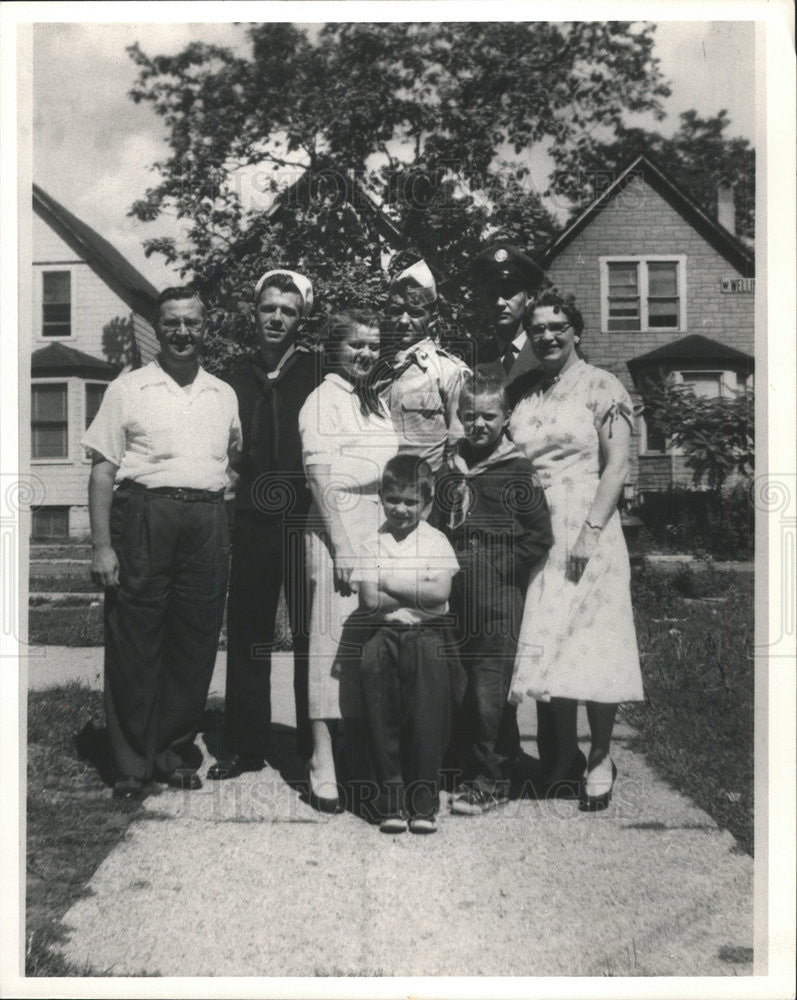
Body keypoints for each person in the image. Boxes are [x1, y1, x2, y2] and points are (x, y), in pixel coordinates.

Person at [82, 287, 242, 800]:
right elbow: (103, 470)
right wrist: (102, 546)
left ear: (205, 327)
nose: (182, 332)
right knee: (135, 636)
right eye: (171, 322)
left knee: (194, 639)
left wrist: (218, 492)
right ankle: (130, 762)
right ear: (157, 328)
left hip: (206, 520)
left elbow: (233, 455)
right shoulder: (128, 388)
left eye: (191, 322)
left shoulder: (223, 393)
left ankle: (172, 751)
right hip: (145, 514)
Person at [508, 288, 644, 809]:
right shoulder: (529, 393)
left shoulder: (601, 385)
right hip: (541, 530)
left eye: (556, 326)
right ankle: (562, 756)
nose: (546, 335)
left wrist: (590, 530)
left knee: (595, 642)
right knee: (553, 641)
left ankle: (600, 756)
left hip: (589, 527)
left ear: (576, 331)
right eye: (537, 328)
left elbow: (617, 464)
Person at [209, 269, 321, 780]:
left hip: (306, 518)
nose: (277, 318)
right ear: (254, 313)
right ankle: (243, 746)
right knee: (249, 629)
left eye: (288, 311)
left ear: (302, 319)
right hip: (253, 517)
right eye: (269, 308)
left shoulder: (319, 373)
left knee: (308, 630)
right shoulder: (233, 376)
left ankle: (312, 745)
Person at [432, 371, 553, 814]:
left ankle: (491, 780)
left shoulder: (518, 470)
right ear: (460, 418)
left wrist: (499, 567)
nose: (478, 424)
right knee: (460, 686)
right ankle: (473, 765)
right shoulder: (451, 468)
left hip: (498, 595)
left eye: (488, 415)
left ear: (505, 417)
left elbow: (539, 537)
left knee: (489, 687)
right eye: (469, 416)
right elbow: (436, 526)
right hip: (455, 591)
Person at [297, 310, 399, 811]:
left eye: (372, 345)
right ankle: (322, 760)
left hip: (379, 523)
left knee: (366, 646)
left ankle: (358, 755)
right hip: (338, 525)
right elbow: (318, 479)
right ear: (331, 348)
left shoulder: (374, 400)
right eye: (356, 344)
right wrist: (341, 546)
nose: (365, 353)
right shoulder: (321, 401)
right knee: (328, 644)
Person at [350, 455, 461, 834]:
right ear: (381, 497)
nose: (401, 508)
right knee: (383, 719)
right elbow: (368, 601)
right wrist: (417, 592)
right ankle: (391, 801)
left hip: (427, 637)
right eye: (393, 499)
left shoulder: (436, 541)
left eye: (411, 502)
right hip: (381, 638)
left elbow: (440, 592)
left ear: (427, 505)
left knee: (427, 719)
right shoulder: (371, 543)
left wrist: (389, 584)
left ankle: (424, 803)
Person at [378, 253, 470, 474]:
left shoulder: (450, 372)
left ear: (433, 317)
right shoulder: (374, 368)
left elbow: (459, 445)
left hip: (425, 495)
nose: (403, 321)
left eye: (415, 312)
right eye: (397, 311)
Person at [472, 242, 545, 406]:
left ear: (529, 297)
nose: (499, 302)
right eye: (492, 294)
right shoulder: (474, 360)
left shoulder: (547, 352)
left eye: (508, 293)